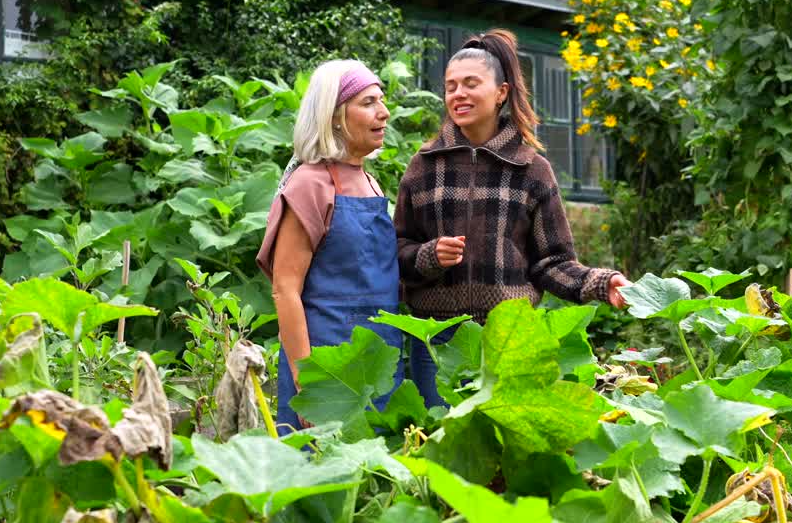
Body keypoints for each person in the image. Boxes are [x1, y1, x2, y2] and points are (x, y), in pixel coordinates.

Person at [394, 29, 633, 408]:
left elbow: (551, 262)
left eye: (471, 84)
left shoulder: (531, 169)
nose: (459, 94)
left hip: (507, 339)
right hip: (437, 340)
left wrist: (600, 282)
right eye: (451, 86)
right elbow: (397, 250)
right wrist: (428, 257)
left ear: (501, 92)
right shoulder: (423, 167)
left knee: (502, 457)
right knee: (433, 451)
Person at [257, 59, 402, 433]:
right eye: (368, 102)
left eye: (381, 101)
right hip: (327, 364)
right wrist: (310, 382)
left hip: (377, 361)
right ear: (335, 116)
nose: (383, 113)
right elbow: (285, 289)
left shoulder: (371, 183)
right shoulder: (311, 183)